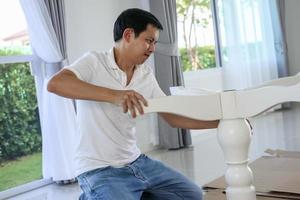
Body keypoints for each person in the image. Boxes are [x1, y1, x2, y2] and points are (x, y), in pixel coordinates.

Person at [48, 8, 219, 200]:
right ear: (128, 35)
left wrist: (218, 124)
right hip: (98, 169)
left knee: (193, 195)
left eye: (154, 42)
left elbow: (171, 116)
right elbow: (56, 84)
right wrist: (115, 95)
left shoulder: (144, 74)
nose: (153, 48)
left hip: (138, 163)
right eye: (149, 40)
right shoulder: (94, 62)